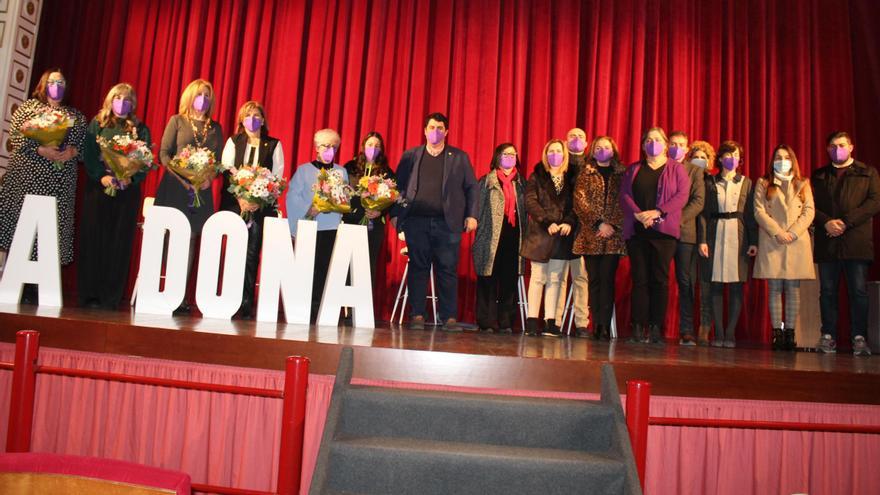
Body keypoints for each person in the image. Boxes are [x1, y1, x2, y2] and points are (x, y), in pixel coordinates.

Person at [0, 68, 86, 304]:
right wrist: (40, 148)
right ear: (43, 84)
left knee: (48, 234)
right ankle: (15, 284)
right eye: (52, 82)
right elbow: (16, 137)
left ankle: (38, 289)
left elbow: (85, 147)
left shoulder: (75, 116)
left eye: (61, 82)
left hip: (59, 183)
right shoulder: (28, 108)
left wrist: (73, 151)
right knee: (22, 229)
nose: (57, 86)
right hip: (26, 178)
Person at [391, 112, 478, 332]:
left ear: (446, 132)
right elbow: (397, 188)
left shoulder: (459, 157)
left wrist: (472, 215)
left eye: (440, 128)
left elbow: (471, 188)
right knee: (418, 269)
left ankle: (449, 317)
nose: (436, 132)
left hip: (447, 224)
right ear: (425, 130)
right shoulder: (411, 155)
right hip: (416, 222)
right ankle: (417, 314)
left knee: (447, 270)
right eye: (432, 127)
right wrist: (396, 217)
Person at [78, 83, 152, 310]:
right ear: (110, 99)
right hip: (99, 190)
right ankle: (90, 294)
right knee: (94, 240)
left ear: (133, 104)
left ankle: (111, 297)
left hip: (126, 193)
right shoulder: (97, 124)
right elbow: (89, 154)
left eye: (128, 99)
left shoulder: (139, 129)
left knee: (119, 243)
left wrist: (131, 177)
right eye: (118, 97)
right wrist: (101, 176)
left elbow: (146, 161)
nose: (123, 102)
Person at [155, 79, 224, 314]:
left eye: (207, 95)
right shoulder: (177, 121)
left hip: (201, 191)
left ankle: (181, 296)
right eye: (199, 95)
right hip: (175, 187)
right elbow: (163, 154)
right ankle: (164, 290)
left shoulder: (216, 128)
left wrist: (208, 178)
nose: (203, 100)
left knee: (192, 239)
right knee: (170, 239)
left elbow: (219, 161)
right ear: (190, 96)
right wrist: (181, 176)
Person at [812, 131, 880, 356]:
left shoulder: (867, 173)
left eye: (841, 145)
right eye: (832, 146)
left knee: (858, 292)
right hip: (828, 242)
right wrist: (826, 222)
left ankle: (859, 337)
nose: (836, 149)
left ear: (851, 147)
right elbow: (809, 205)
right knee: (828, 292)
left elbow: (874, 203)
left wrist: (846, 222)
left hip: (856, 243)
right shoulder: (819, 175)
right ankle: (828, 335)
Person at [620, 127, 689, 344]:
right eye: (649, 140)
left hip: (664, 234)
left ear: (665, 144)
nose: (653, 143)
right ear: (643, 145)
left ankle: (656, 327)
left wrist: (658, 212)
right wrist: (639, 215)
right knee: (640, 280)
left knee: (660, 280)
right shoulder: (633, 169)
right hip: (638, 232)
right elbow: (624, 195)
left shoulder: (677, 169)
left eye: (657, 139)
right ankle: (638, 327)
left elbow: (682, 196)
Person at [219, 101, 285, 318]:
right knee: (233, 251)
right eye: (248, 115)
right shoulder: (233, 141)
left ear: (263, 120)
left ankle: (246, 301)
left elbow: (276, 177)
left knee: (252, 253)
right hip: (234, 204)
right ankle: (227, 298)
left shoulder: (274, 145)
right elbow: (228, 170)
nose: (252, 119)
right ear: (241, 119)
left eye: (257, 115)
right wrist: (241, 199)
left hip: (261, 206)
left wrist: (258, 199)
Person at [753, 145, 815, 351]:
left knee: (793, 289)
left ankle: (790, 333)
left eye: (786, 157)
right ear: (772, 161)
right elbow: (759, 211)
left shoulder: (803, 183)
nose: (782, 160)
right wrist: (778, 232)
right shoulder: (764, 183)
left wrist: (793, 232)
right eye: (778, 157)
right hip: (773, 240)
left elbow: (809, 211)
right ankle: (777, 333)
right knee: (775, 289)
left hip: (796, 241)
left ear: (793, 160)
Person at [698, 140, 757, 348]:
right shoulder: (710, 182)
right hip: (715, 234)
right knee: (715, 285)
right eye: (727, 155)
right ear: (720, 158)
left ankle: (730, 333)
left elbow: (750, 215)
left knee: (736, 286)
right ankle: (719, 333)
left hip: (738, 235)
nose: (731, 159)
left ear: (740, 159)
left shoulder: (747, 183)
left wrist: (753, 241)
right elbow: (703, 214)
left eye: (735, 155)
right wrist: (703, 240)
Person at [286, 128, 347, 322]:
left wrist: (337, 202)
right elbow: (292, 196)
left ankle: (320, 308)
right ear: (316, 148)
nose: (329, 150)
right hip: (309, 225)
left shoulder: (341, 171)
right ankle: (303, 307)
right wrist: (308, 208)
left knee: (325, 269)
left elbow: (345, 196)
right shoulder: (304, 170)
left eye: (333, 147)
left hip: (330, 227)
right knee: (306, 269)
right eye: (325, 146)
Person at [521, 139, 578, 337]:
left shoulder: (572, 177)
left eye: (559, 151)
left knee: (556, 279)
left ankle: (551, 321)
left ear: (565, 155)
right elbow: (530, 201)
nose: (555, 154)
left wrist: (569, 222)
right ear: (546, 154)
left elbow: (576, 205)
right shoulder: (537, 175)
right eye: (551, 151)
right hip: (540, 234)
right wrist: (547, 221)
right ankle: (532, 320)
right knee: (538, 278)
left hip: (562, 236)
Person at [573, 136, 626, 340]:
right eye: (598, 147)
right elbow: (580, 202)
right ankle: (596, 325)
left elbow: (625, 201)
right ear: (593, 151)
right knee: (594, 280)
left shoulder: (622, 174)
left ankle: (604, 324)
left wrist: (611, 224)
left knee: (607, 280)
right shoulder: (585, 173)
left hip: (613, 236)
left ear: (613, 150)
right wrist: (598, 223)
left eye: (606, 147)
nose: (602, 150)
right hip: (591, 234)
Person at [472, 143, 527, 334]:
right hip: (490, 237)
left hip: (513, 237)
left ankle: (506, 322)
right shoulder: (486, 181)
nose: (510, 157)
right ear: (498, 156)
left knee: (509, 281)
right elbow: (476, 210)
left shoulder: (521, 183)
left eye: (513, 154)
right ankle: (485, 321)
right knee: (487, 280)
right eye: (506, 154)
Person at [342, 132, 396, 288]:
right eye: (370, 145)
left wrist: (380, 211)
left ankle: (360, 310)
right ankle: (342, 309)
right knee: (344, 265)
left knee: (367, 265)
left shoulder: (387, 172)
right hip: (350, 222)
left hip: (373, 225)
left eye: (377, 146)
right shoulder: (350, 167)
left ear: (382, 149)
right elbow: (341, 191)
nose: (373, 148)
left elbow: (393, 198)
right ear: (363, 146)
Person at [668, 131, 705, 345]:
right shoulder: (661, 167)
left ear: (687, 147)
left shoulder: (694, 171)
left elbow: (698, 201)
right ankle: (653, 328)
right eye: (673, 144)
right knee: (659, 281)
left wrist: (677, 219)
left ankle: (687, 329)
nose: (677, 148)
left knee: (686, 282)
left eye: (681, 144)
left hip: (685, 233)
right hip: (662, 233)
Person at [555, 127, 591, 335]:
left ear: (586, 144)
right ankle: (556, 320)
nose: (576, 140)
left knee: (580, 278)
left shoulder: (591, 166)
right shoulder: (559, 164)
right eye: (572, 136)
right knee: (558, 278)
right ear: (565, 141)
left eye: (580, 137)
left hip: (583, 230)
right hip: (561, 229)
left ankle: (581, 323)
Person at [684, 141, 718, 345]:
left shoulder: (713, 182)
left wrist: (704, 239)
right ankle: (686, 328)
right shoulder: (685, 179)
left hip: (708, 239)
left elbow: (706, 213)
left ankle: (705, 327)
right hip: (688, 237)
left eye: (704, 158)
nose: (700, 161)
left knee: (706, 285)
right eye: (696, 156)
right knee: (687, 283)